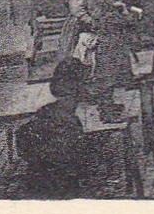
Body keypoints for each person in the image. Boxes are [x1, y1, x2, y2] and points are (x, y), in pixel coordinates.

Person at [16, 59, 95, 198]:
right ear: (78, 88)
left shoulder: (47, 111)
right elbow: (79, 158)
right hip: (58, 187)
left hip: (39, 179)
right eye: (86, 82)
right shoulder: (69, 121)